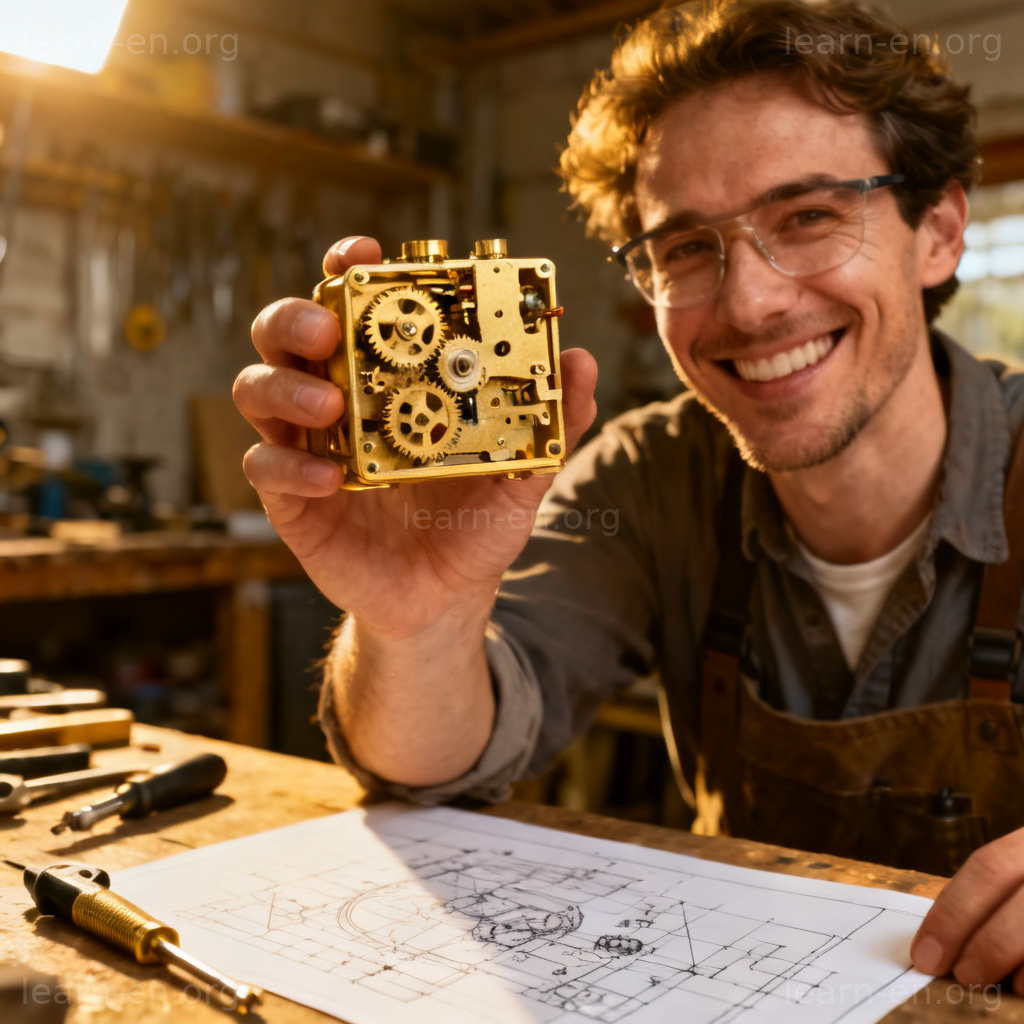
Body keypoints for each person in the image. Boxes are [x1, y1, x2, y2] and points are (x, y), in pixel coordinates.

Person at [233, 0, 1024, 998]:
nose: (749, 302)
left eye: (809, 217)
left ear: (939, 233)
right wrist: (415, 622)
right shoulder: (649, 478)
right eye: (685, 248)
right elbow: (430, 767)